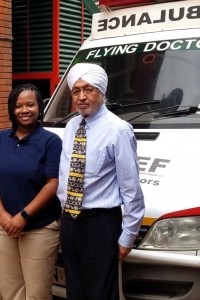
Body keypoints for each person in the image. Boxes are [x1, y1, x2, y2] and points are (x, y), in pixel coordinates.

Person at [57, 63, 145, 300]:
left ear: (102, 92)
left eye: (89, 89)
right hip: (70, 222)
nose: (82, 97)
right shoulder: (72, 126)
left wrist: (127, 236)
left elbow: (131, 189)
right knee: (74, 289)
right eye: (76, 91)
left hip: (100, 225)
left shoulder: (119, 130)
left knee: (100, 293)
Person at [0, 83, 62, 300]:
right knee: (12, 291)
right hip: (3, 227)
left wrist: (24, 215)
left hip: (40, 227)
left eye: (30, 104)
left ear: (39, 108)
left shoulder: (51, 141)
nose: (24, 110)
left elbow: (52, 183)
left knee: (37, 294)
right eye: (18, 106)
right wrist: (2, 215)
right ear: (11, 109)